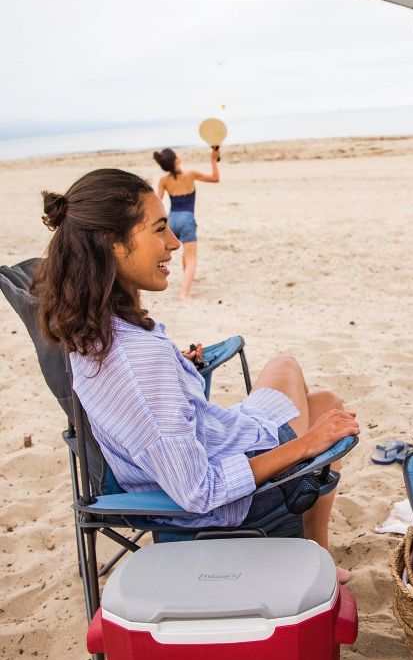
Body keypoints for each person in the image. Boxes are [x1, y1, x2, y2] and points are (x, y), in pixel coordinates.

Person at [34, 169, 358, 581]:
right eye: (159, 229)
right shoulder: (139, 362)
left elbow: (146, 407)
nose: (173, 244)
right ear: (112, 244)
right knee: (293, 374)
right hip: (233, 496)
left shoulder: (90, 329)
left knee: (324, 401)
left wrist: (177, 368)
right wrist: (307, 446)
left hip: (205, 447)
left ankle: (315, 549)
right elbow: (198, 492)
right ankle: (312, 551)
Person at [154, 147, 219, 299]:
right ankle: (184, 294)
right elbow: (215, 178)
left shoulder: (164, 180)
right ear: (176, 160)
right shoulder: (191, 174)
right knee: (191, 259)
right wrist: (213, 160)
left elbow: (157, 201)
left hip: (171, 221)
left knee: (185, 253)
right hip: (187, 219)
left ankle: (187, 281)